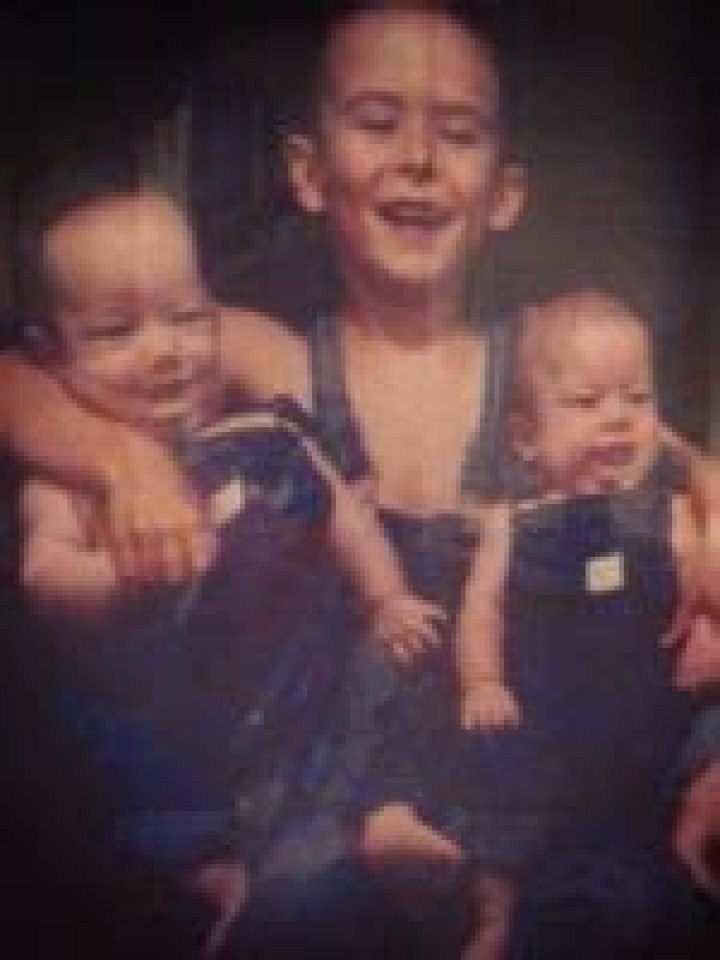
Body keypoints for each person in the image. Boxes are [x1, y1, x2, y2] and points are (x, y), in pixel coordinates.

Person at [1, 2, 718, 953]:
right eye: (378, 122)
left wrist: (713, 514)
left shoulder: (548, 361)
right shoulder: (262, 356)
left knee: (631, 912)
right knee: (298, 919)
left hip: (533, 783)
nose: (418, 159)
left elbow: (673, 456)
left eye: (457, 133)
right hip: (339, 803)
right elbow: (20, 372)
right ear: (308, 172)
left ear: (504, 192)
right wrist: (124, 462)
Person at [18, 183, 442, 955]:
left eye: (188, 318)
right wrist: (115, 578)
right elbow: (44, 574)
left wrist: (386, 597)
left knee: (386, 666)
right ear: (51, 354)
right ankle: (215, 875)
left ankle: (386, 813)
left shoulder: (268, 430)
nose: (165, 350)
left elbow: (348, 521)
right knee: (114, 749)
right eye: (116, 331)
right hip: (174, 721)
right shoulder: (68, 485)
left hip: (296, 690)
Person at [452, 288, 718, 957]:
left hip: (654, 714)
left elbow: (702, 589)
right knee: (496, 767)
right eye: (586, 401)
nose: (618, 418)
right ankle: (495, 909)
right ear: (526, 437)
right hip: (547, 717)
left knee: (709, 741)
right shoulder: (512, 523)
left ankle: (692, 836)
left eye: (638, 398)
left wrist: (707, 635)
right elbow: (481, 608)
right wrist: (482, 680)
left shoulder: (671, 510)